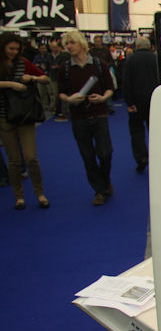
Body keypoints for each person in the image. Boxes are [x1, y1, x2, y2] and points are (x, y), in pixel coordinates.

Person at [57, 30, 115, 206]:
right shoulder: (65, 68)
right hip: (78, 117)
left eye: (72, 43)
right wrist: (69, 99)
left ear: (81, 43)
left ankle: (104, 182)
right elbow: (60, 92)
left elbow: (110, 87)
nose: (69, 46)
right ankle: (100, 190)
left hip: (99, 113)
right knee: (88, 156)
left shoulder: (99, 64)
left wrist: (103, 98)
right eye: (67, 44)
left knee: (105, 153)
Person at [0, 32, 51, 209]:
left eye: (16, 49)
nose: (13, 52)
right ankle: (19, 197)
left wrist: (33, 78)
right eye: (10, 48)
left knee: (31, 157)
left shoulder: (24, 63)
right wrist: (10, 84)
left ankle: (40, 193)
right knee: (13, 160)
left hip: (25, 115)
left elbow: (45, 78)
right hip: (4, 116)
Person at [122, 37, 159, 173]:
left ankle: (141, 158)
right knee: (155, 131)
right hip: (155, 101)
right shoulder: (156, 58)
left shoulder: (130, 60)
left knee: (137, 131)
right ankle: (158, 158)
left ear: (136, 46)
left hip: (136, 102)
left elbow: (126, 82)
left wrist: (129, 102)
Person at [49, 39, 71, 121]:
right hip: (54, 77)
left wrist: (58, 67)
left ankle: (63, 113)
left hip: (64, 78)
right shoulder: (50, 56)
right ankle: (59, 111)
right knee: (57, 94)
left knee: (62, 94)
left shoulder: (65, 55)